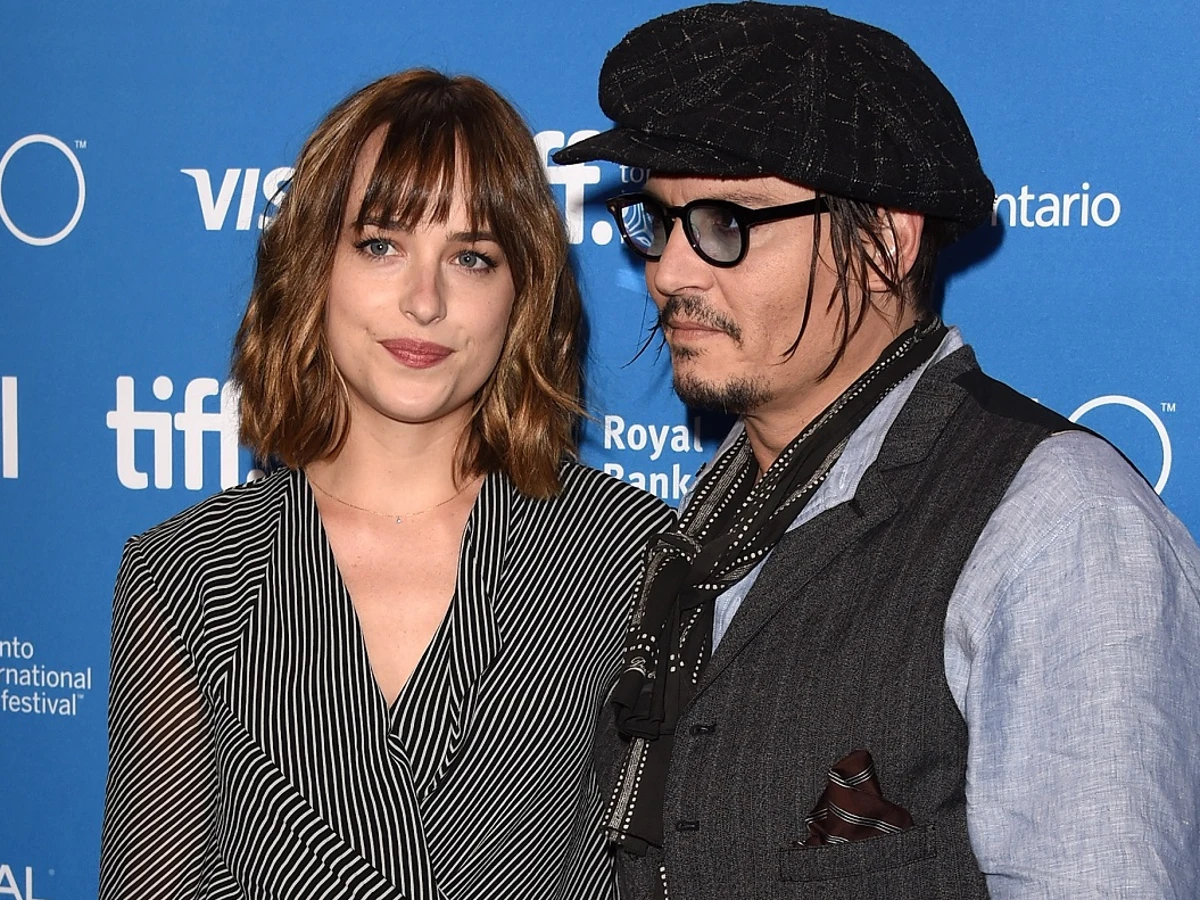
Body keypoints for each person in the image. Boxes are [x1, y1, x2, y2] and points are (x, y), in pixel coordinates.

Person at [553, 4, 1200, 898]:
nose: (670, 270)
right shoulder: (711, 527)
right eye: (658, 223)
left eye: (725, 224)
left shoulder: (1059, 524)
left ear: (886, 243)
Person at [99, 69, 673, 900]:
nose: (425, 301)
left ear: (522, 297)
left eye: (472, 258)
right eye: (381, 245)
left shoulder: (625, 553)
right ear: (314, 267)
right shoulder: (186, 575)